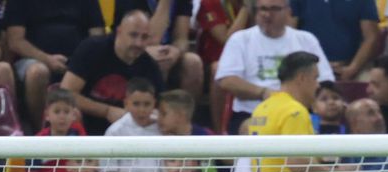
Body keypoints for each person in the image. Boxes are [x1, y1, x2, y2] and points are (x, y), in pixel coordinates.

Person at [214, 0, 333, 135]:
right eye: (262, 9)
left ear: (288, 11)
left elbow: (326, 80)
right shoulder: (240, 39)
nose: (266, 14)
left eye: (274, 9)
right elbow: (226, 80)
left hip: (300, 110)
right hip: (252, 113)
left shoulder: (306, 39)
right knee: (256, 128)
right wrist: (263, 92)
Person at [2, 0, 105, 132]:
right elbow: (15, 41)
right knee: (38, 72)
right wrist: (47, 59)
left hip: (78, 59)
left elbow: (97, 36)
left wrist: (79, 60)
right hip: (33, 59)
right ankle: (41, 130)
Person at [59, 10, 164, 136]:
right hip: (86, 128)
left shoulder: (149, 66)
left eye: (144, 37)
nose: (138, 43)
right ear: (119, 31)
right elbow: (65, 93)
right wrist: (106, 111)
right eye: (133, 35)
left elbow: (161, 107)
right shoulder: (92, 49)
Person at [112, 0, 204, 99]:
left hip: (167, 48)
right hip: (136, 46)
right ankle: (157, 108)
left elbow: (181, 38)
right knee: (160, 60)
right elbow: (150, 39)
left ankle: (186, 112)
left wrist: (176, 51)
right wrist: (165, 3)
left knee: (193, 62)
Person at [290, 0, 379, 81]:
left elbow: (371, 37)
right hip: (307, 67)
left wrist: (352, 68)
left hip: (351, 66)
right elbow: (289, 33)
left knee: (370, 83)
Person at [196, 0, 248, 130]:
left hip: (248, 60)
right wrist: (247, 9)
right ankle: (220, 132)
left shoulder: (262, 6)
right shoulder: (210, 3)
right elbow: (226, 40)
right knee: (219, 69)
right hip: (215, 61)